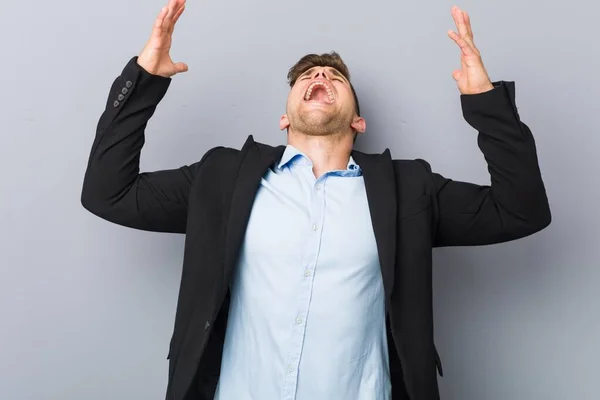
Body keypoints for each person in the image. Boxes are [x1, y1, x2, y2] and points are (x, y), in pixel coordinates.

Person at [80, 0, 551, 399]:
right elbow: (108, 193)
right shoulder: (221, 177)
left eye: (334, 77)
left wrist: (485, 103)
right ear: (284, 118)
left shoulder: (409, 189)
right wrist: (144, 80)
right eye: (307, 75)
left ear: (358, 122)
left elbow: (520, 210)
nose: (320, 75)